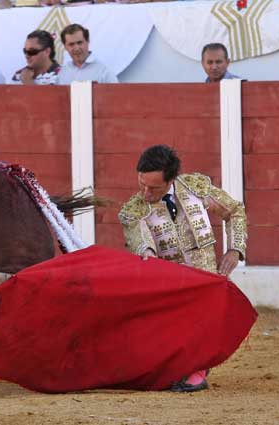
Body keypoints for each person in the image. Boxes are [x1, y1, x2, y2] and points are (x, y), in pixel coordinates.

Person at [118, 144, 247, 393]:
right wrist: (148, 259)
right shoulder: (133, 212)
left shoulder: (195, 188)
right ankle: (189, 369)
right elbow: (142, 246)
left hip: (208, 281)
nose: (145, 193)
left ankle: (196, 370)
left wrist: (235, 249)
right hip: (171, 288)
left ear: (171, 180)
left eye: (153, 188)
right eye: (141, 184)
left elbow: (235, 211)